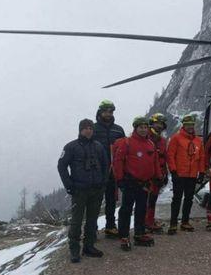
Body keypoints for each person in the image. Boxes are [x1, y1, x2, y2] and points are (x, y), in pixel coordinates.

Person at [58, 119, 109, 263]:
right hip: (79, 191)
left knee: (92, 221)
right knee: (76, 221)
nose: (89, 130)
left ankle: (89, 247)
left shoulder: (99, 146)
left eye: (91, 128)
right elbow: (61, 166)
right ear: (80, 130)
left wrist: (103, 183)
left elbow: (106, 165)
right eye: (86, 128)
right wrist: (69, 185)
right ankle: (74, 250)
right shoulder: (71, 147)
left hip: (96, 190)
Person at [112, 116, 162, 250]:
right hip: (130, 182)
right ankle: (124, 236)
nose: (144, 130)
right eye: (141, 127)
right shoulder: (126, 143)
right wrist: (120, 179)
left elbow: (155, 161)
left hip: (145, 183)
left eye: (146, 127)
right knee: (126, 210)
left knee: (141, 209)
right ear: (135, 128)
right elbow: (118, 161)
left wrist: (158, 176)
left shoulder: (150, 144)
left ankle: (139, 233)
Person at [166, 114, 205, 235]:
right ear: (183, 125)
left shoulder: (198, 140)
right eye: (188, 125)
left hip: (192, 175)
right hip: (179, 174)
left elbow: (202, 157)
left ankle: (185, 222)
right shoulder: (176, 138)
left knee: (189, 199)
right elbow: (170, 155)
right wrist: (173, 170)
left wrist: (202, 172)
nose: (190, 127)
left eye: (192, 125)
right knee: (177, 199)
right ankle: (173, 223)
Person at [92, 99, 125, 238]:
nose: (108, 113)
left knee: (111, 200)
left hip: (113, 171)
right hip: (97, 171)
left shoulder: (118, 129)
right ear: (100, 112)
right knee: (94, 201)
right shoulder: (92, 128)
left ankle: (110, 226)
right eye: (105, 111)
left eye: (111, 111)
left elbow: (125, 150)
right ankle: (91, 229)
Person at [145, 113, 169, 234]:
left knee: (153, 199)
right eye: (157, 123)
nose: (159, 126)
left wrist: (165, 173)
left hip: (159, 174)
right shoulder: (146, 137)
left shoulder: (162, 141)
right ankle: (146, 222)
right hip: (147, 174)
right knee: (146, 199)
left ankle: (149, 220)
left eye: (161, 124)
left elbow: (164, 158)